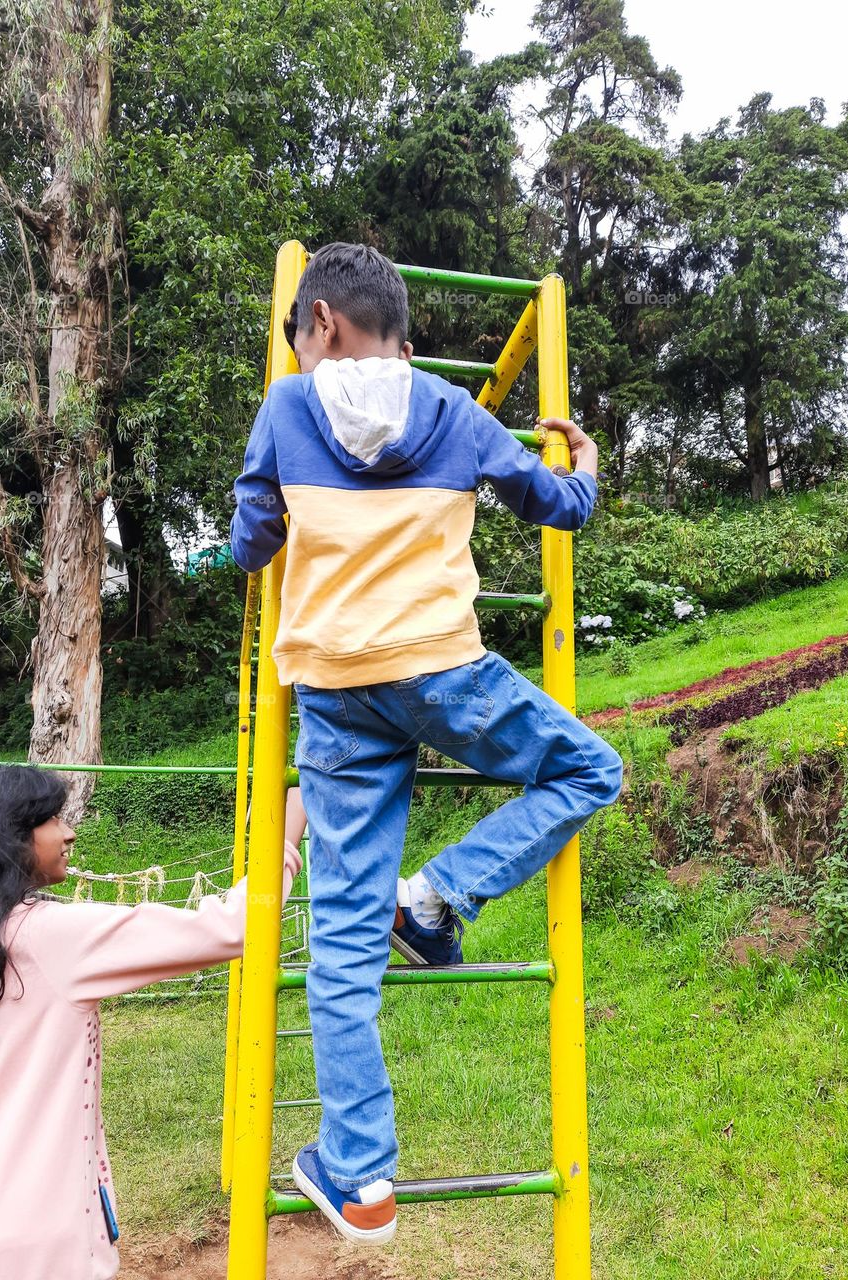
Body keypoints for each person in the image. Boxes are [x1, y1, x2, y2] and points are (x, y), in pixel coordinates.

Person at [230, 242, 623, 1246]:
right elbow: (559, 508)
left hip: (335, 692)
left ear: (320, 320)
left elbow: (251, 544)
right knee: (589, 766)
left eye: (299, 338)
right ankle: (441, 891)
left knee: (343, 949)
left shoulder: (287, 407)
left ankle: (360, 1178)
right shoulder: (454, 411)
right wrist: (581, 465)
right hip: (443, 672)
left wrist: (271, 510)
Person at [0, 763, 301, 1280]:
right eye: (50, 819)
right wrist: (287, 826)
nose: (69, 831)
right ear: (10, 838)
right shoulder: (50, 937)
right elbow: (230, 927)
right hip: (44, 1244)